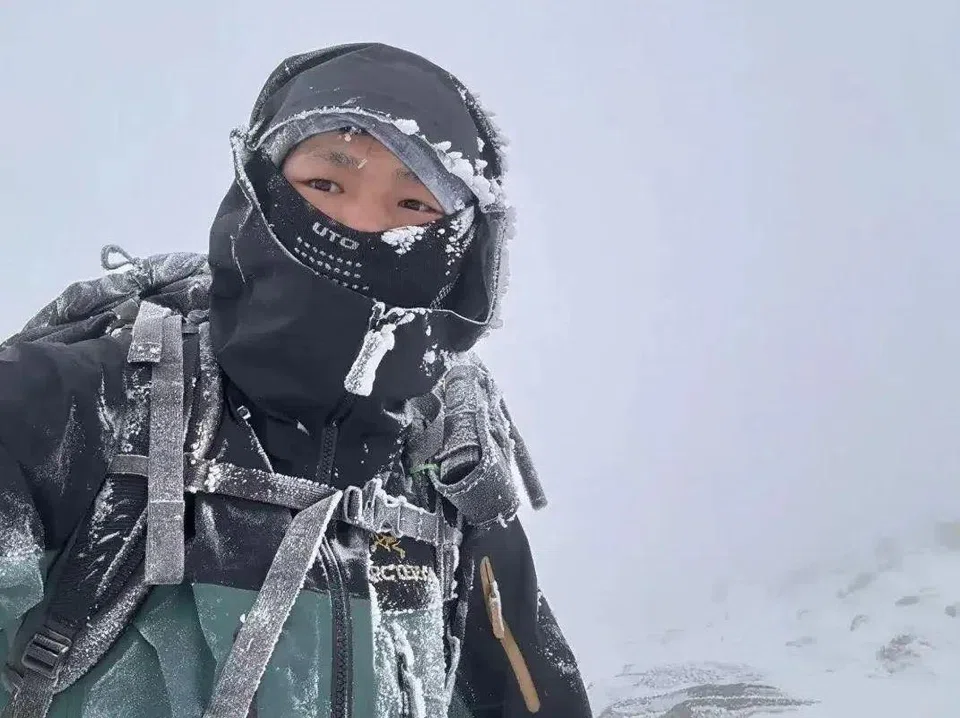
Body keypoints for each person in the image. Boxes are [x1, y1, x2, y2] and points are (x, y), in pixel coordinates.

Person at [0, 43, 592, 717]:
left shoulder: (449, 478)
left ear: (466, 248)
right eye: (326, 184)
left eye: (414, 204)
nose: (363, 227)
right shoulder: (62, 411)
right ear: (258, 188)